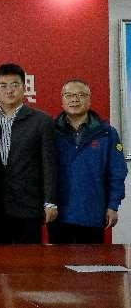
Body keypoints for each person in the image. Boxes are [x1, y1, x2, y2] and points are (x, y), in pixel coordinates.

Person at [0, 63, 56, 244]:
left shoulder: (41, 121)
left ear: (24, 87)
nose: (9, 90)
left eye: (15, 85)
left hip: (28, 205)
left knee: (28, 260)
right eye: (3, 86)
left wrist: (50, 201)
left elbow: (49, 165)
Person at [49, 79, 127, 244]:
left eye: (81, 95)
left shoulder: (106, 133)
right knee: (58, 260)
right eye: (69, 95)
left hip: (92, 213)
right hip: (58, 215)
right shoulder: (50, 131)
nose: (74, 99)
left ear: (89, 100)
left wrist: (113, 206)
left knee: (92, 260)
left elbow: (117, 172)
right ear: (62, 100)